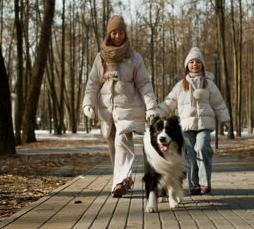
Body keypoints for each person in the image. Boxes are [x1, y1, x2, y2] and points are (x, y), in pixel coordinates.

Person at [83, 15, 160, 198]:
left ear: (125, 34)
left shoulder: (134, 57)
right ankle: (125, 179)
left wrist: (151, 106)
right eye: (114, 33)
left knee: (122, 143)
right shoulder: (100, 57)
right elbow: (93, 83)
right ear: (109, 34)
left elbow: (144, 83)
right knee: (113, 146)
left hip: (128, 107)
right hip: (106, 110)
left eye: (121, 33)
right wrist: (87, 103)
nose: (118, 36)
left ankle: (120, 182)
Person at [158, 47, 230, 195]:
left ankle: (204, 183)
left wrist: (226, 120)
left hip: (204, 125)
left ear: (202, 64)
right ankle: (194, 185)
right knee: (190, 154)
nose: (194, 65)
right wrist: (157, 113)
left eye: (197, 62)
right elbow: (169, 102)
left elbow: (219, 103)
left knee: (202, 148)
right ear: (187, 66)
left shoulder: (209, 84)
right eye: (191, 62)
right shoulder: (180, 85)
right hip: (186, 126)